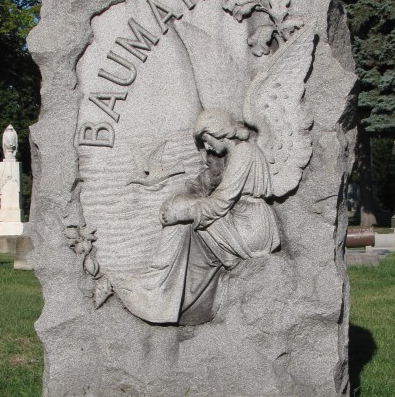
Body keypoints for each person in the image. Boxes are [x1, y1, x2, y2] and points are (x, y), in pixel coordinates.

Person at [115, 109, 280, 325]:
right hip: (242, 219)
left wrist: (184, 210)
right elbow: (208, 184)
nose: (208, 147)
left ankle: (157, 286)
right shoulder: (231, 155)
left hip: (250, 227)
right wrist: (185, 201)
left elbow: (221, 202)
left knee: (183, 221)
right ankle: (165, 289)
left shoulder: (244, 152)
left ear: (219, 131)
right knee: (183, 217)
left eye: (207, 139)